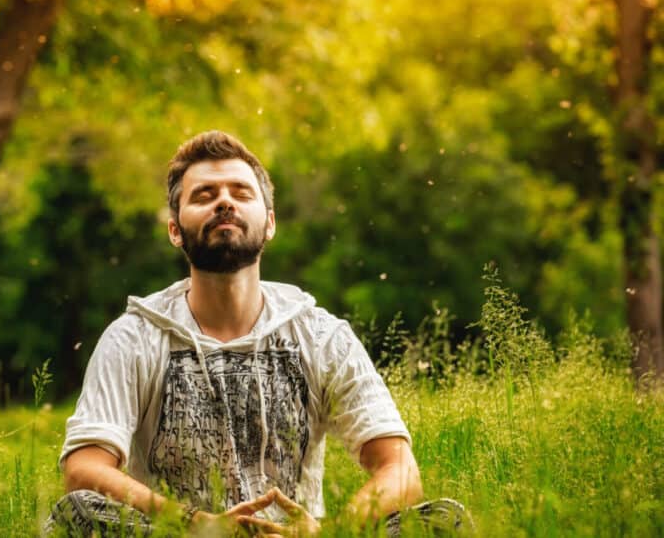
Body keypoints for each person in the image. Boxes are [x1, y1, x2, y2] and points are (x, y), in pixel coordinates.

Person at [46, 131, 467, 536]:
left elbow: (400, 469)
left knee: (446, 520)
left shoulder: (320, 335)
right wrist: (196, 526)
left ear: (269, 224)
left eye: (241, 193)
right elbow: (84, 471)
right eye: (204, 195)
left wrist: (329, 533)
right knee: (72, 516)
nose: (225, 202)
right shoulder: (133, 337)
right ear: (174, 229)